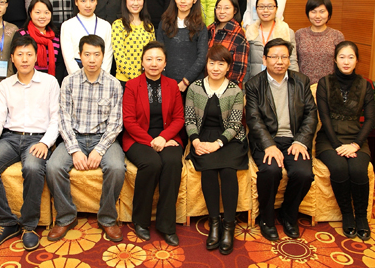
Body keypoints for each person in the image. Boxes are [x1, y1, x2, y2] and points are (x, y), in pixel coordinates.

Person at [0, 35, 60, 251]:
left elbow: (57, 118)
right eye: (20, 54)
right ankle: (6, 222)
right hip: (11, 137)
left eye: (29, 54)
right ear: (12, 58)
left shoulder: (49, 82)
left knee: (32, 167)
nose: (24, 59)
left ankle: (29, 226)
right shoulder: (5, 85)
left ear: (36, 57)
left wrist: (45, 143)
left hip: (38, 138)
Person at [46, 35, 125, 243]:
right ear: (80, 56)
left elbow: (116, 124)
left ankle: (107, 218)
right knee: (53, 167)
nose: (91, 59)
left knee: (117, 168)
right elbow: (63, 119)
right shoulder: (69, 82)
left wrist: (99, 150)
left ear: (103, 56)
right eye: (87, 54)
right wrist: (74, 150)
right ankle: (66, 217)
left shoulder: (113, 84)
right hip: (75, 137)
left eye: (96, 54)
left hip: (103, 138)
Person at [245, 38, 318, 242]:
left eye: (284, 57)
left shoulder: (301, 81)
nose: (279, 61)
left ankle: (289, 214)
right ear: (265, 59)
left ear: (289, 59)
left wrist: (301, 141)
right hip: (266, 140)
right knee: (270, 170)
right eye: (274, 57)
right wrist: (269, 145)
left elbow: (311, 114)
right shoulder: (254, 85)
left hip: (294, 140)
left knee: (304, 174)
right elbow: (254, 119)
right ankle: (267, 219)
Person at [185, 44, 247, 255]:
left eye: (221, 64)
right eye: (212, 63)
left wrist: (217, 144)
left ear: (228, 67)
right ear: (206, 64)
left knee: (228, 171)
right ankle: (214, 223)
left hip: (229, 139)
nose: (216, 68)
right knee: (208, 170)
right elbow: (189, 119)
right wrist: (195, 142)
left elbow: (235, 124)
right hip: (202, 137)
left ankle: (228, 225)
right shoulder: (195, 88)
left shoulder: (235, 90)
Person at [123, 41, 184, 245]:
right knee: (151, 163)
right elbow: (129, 121)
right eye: (149, 59)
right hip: (138, 138)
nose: (154, 63)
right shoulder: (132, 85)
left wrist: (164, 138)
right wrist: (152, 141)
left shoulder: (172, 85)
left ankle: (166, 225)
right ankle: (141, 221)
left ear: (165, 63)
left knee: (172, 163)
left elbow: (179, 119)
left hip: (168, 137)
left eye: (159, 59)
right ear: (142, 62)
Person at [316, 41, 374, 241]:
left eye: (350, 57)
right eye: (342, 57)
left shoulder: (365, 85)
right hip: (329, 138)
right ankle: (347, 215)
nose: (346, 61)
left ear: (357, 60)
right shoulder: (325, 83)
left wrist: (356, 144)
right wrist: (337, 146)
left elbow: (370, 119)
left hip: (356, 138)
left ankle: (361, 217)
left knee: (358, 170)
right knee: (339, 167)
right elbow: (324, 117)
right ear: (335, 59)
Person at [156, 0, 208, 96]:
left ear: (194, 0)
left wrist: (186, 81)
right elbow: (159, 53)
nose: (183, 1)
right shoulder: (164, 24)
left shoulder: (200, 27)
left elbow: (202, 57)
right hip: (167, 82)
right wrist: (165, 79)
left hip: (193, 84)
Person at [244, 0, 298, 82]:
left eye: (270, 7)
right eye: (261, 7)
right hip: (256, 82)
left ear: (276, 8)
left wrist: (295, 83)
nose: (265, 10)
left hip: (280, 81)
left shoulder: (286, 32)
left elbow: (292, 61)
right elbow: (247, 64)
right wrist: (245, 85)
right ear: (256, 9)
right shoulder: (249, 32)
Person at [61, 0, 113, 75]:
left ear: (97, 1)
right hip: (76, 71)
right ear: (76, 2)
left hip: (101, 72)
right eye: (83, 1)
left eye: (92, 0)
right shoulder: (67, 25)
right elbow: (68, 58)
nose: (88, 5)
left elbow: (108, 55)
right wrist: (78, 78)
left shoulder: (106, 25)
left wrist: (102, 76)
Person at [13, 0, 67, 84]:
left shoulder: (56, 36)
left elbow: (60, 64)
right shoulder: (22, 34)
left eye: (46, 12)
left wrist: (54, 83)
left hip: (50, 84)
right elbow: (16, 61)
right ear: (30, 13)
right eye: (37, 12)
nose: (42, 16)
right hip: (26, 83)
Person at [295, 0, 345, 85]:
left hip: (329, 87)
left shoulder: (337, 35)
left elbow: (341, 64)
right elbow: (294, 62)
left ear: (329, 13)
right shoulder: (299, 34)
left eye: (322, 11)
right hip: (303, 86)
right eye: (313, 11)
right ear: (308, 13)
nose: (317, 16)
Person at [111, 0, 156, 86]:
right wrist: (138, 79)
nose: (135, 3)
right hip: (124, 81)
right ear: (125, 1)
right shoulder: (118, 25)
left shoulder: (149, 26)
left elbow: (153, 54)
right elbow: (119, 57)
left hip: (147, 80)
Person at [207, 0, 249, 87]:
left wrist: (226, 89)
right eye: (219, 8)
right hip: (207, 84)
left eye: (227, 8)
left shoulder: (238, 34)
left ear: (235, 11)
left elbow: (238, 70)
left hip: (227, 88)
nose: (222, 11)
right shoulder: (209, 29)